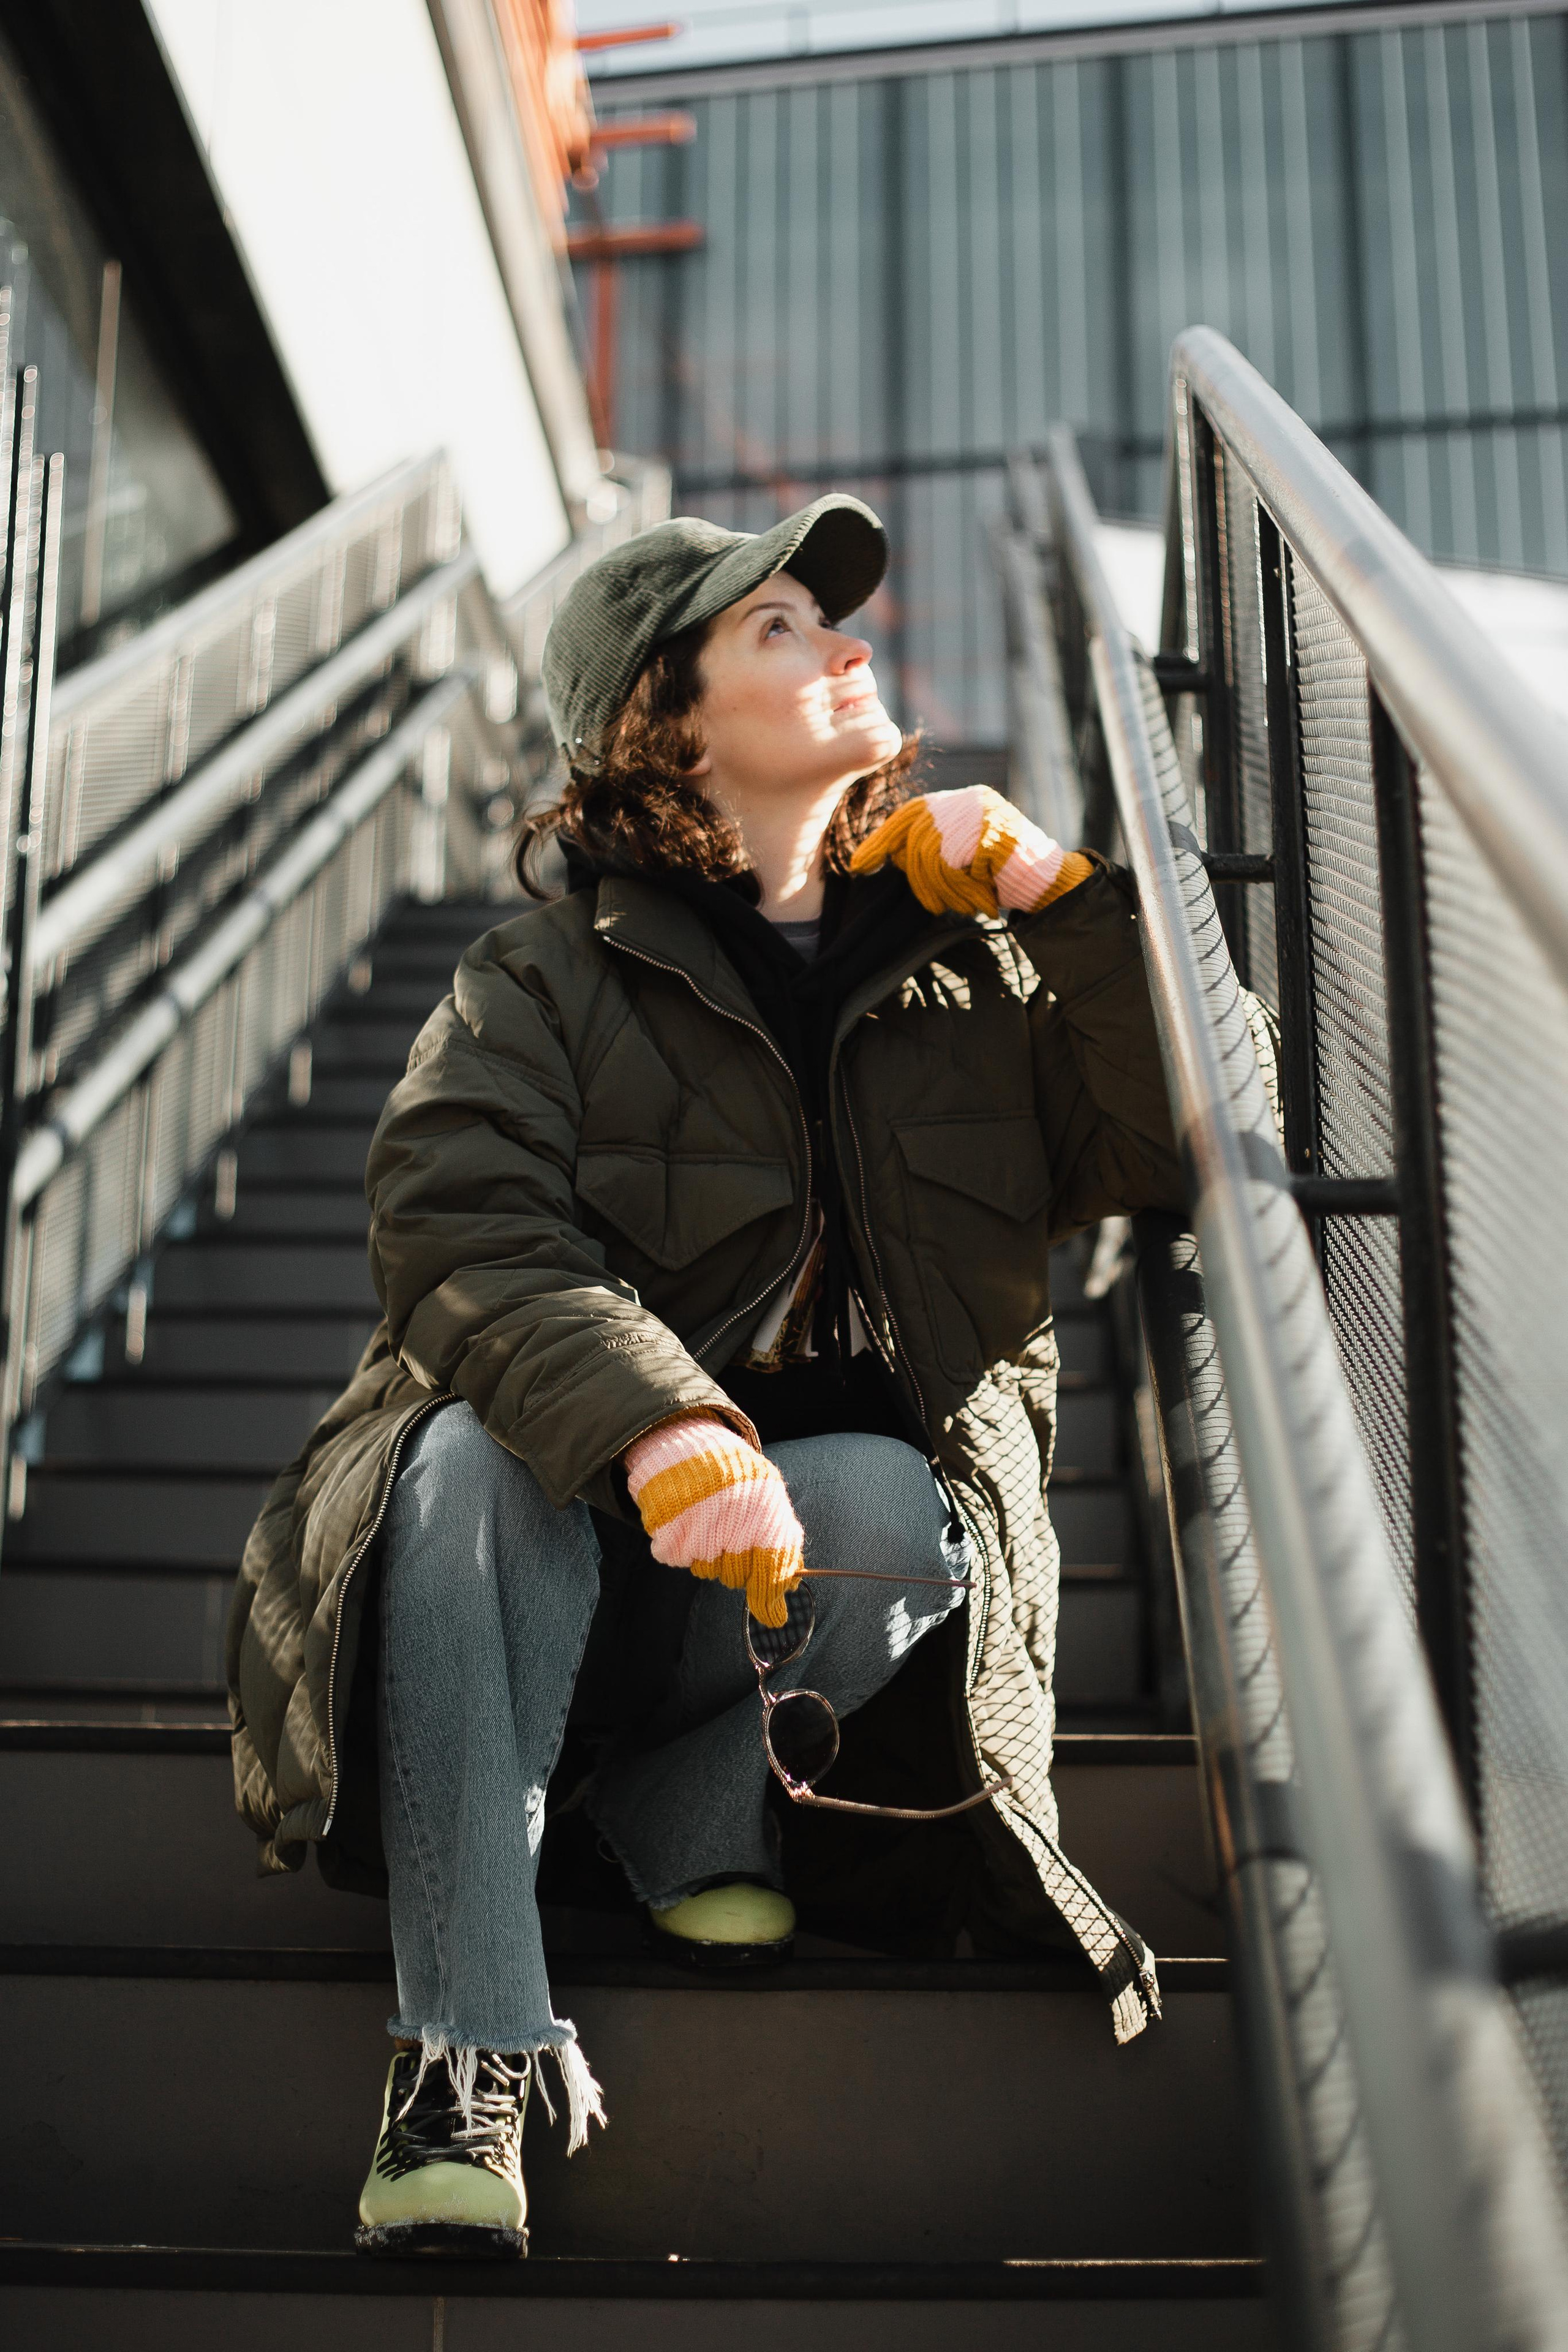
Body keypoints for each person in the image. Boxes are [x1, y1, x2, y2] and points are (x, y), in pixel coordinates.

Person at [227, 494, 1186, 2261]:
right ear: (664, 720)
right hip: (535, 1553)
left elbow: (1200, 1142)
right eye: (780, 626)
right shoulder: (539, 978)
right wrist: (662, 1420)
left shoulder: (968, 974)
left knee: (893, 1504)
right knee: (470, 1462)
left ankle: (679, 1806)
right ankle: (466, 2051)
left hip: (763, 1604)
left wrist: (1061, 898)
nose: (848, 643)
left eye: (834, 618)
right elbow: (459, 1217)